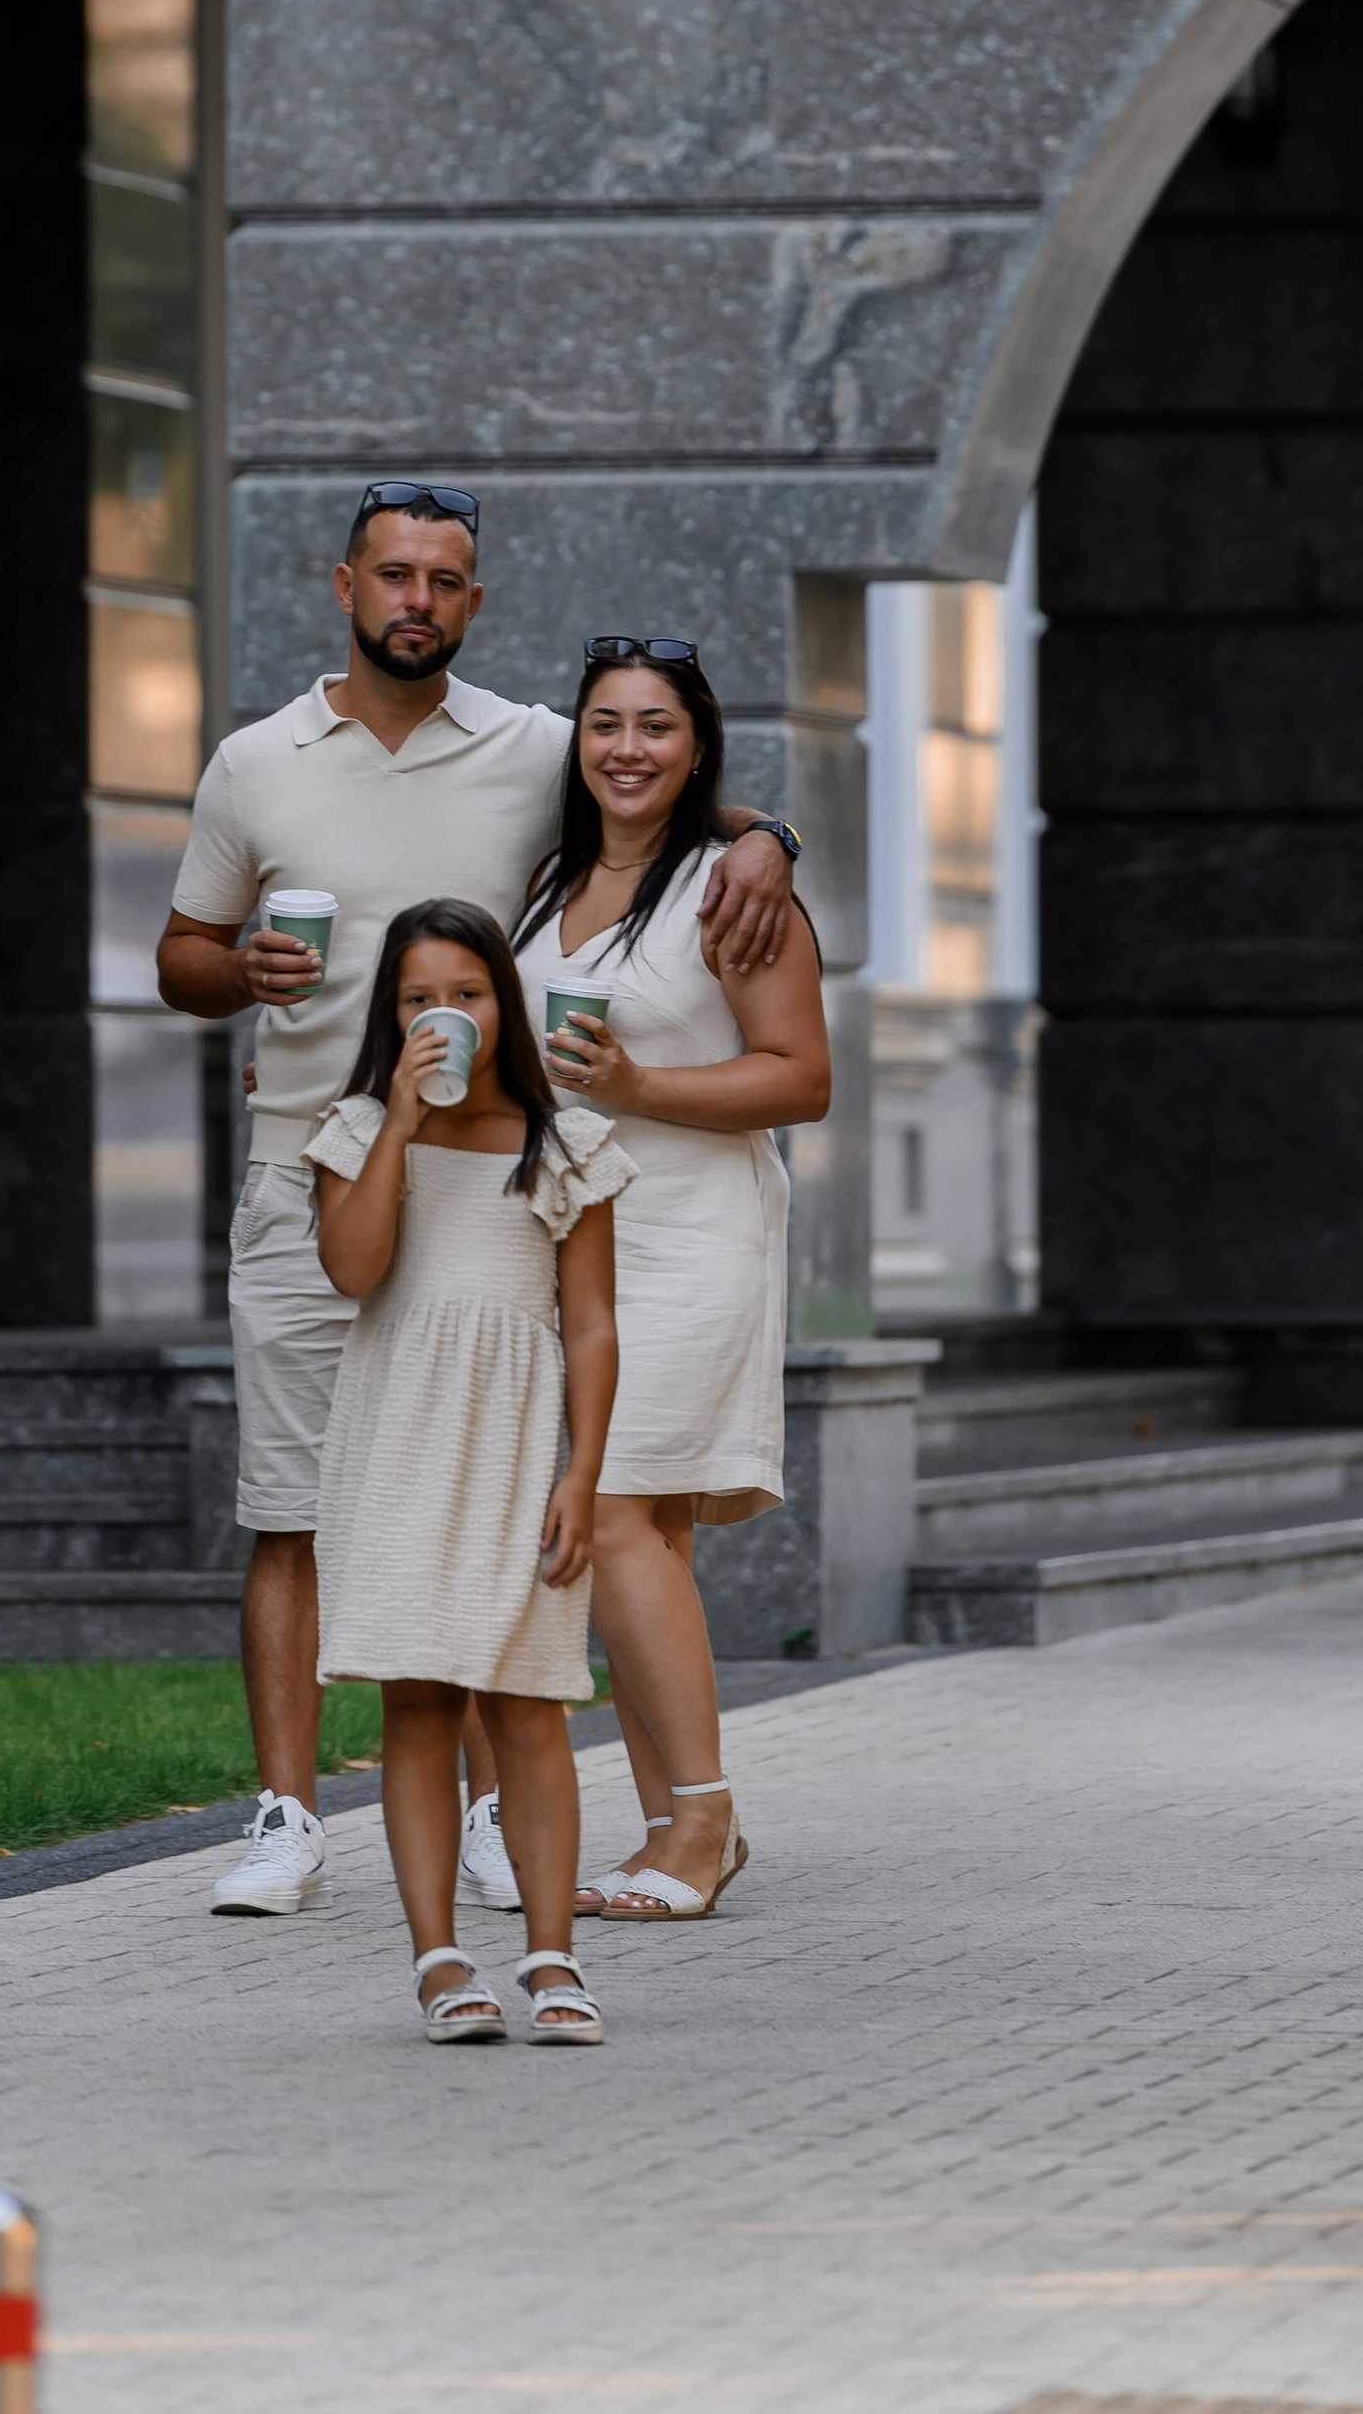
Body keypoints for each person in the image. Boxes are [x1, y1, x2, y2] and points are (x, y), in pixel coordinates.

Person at [154, 481, 800, 1919]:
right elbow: (179, 953)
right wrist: (240, 970)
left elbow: (668, 784)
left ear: (474, 602)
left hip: (495, 1189)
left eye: (444, 580)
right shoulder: (255, 761)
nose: (418, 601)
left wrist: (776, 841)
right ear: (344, 586)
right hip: (305, 1159)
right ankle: (284, 1818)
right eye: (395, 575)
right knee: (291, 1505)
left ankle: (505, 1814)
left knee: (506, 1497)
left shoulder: (534, 745)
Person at [515, 636, 831, 1923]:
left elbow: (801, 1076)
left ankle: (701, 1816)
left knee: (614, 1509)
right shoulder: (546, 876)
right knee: (642, 1534)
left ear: (698, 746)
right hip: (573, 1235)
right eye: (605, 722)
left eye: (656, 725)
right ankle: (673, 1826)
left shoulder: (730, 889)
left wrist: (637, 1083)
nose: (627, 747)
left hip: (692, 1227)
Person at [308, 898, 631, 2041]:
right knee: (418, 1701)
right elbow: (352, 1269)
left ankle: (551, 1954)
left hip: (514, 1450)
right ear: (388, 1015)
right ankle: (439, 1958)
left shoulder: (563, 1143)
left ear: (505, 1000)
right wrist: (399, 1123)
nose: (443, 1013)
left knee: (530, 1700)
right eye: (417, 997)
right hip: (399, 1447)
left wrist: (581, 1477)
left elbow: (590, 1322)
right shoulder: (357, 1128)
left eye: (466, 991)